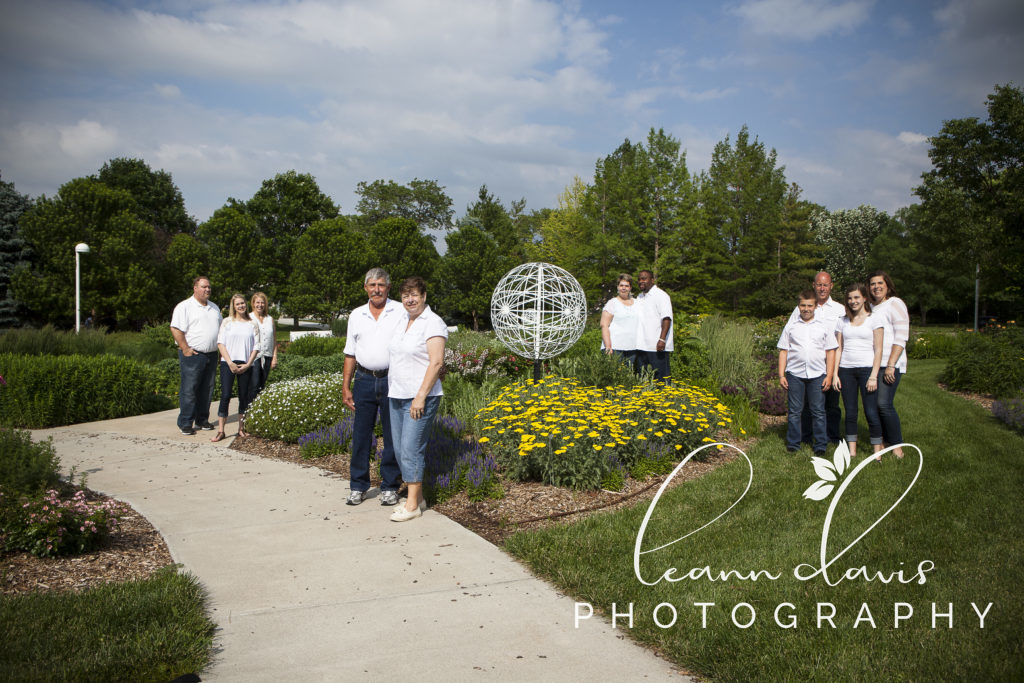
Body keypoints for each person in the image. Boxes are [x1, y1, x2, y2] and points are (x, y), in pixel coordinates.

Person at [387, 276, 448, 522]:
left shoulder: (433, 323)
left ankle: (412, 506)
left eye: (414, 295)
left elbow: (436, 362)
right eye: (405, 296)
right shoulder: (403, 320)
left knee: (412, 449)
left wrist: (420, 397)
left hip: (420, 396)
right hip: (398, 393)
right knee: (402, 450)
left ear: (424, 296)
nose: (410, 300)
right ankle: (418, 497)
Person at [342, 268, 404, 506]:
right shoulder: (356, 315)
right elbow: (350, 353)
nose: (376, 289)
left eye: (381, 285)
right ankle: (358, 485)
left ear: (388, 287)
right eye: (372, 285)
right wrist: (346, 387)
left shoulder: (399, 310)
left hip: (392, 380)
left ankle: (389, 486)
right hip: (364, 380)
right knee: (360, 435)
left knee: (392, 435)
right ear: (365, 288)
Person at [787, 271, 845, 444]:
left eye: (825, 285)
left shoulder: (839, 309)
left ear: (831, 286)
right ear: (814, 285)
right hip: (807, 365)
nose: (822, 288)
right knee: (807, 405)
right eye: (819, 284)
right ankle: (806, 436)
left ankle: (832, 436)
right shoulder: (802, 308)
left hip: (832, 361)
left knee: (832, 404)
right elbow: (790, 332)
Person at [778, 290, 838, 456]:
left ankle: (820, 445)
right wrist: (781, 374)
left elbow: (831, 351)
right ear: (798, 306)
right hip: (795, 374)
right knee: (795, 411)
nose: (806, 309)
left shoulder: (823, 326)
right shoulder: (791, 326)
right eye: (803, 305)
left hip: (818, 374)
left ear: (815, 306)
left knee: (818, 411)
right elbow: (784, 350)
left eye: (809, 305)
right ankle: (793, 443)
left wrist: (829, 375)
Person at [830, 283, 885, 459]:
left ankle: (877, 452)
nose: (853, 301)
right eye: (850, 298)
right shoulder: (842, 320)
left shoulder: (874, 319)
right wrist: (835, 374)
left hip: (867, 370)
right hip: (846, 370)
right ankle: (852, 451)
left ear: (864, 298)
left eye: (856, 297)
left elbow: (878, 349)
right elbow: (838, 348)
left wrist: (874, 376)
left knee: (870, 411)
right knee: (851, 412)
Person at [170, 277, 221, 436]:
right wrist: (185, 349)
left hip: (211, 355)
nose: (207, 290)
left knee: (207, 389)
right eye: (204, 287)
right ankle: (185, 422)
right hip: (193, 355)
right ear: (195, 288)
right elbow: (176, 329)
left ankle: (202, 419)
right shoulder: (185, 306)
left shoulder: (214, 308)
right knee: (190, 389)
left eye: (209, 287)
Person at [868, 270, 910, 459]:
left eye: (880, 283)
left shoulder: (895, 303)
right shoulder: (870, 307)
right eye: (872, 284)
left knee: (884, 404)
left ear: (887, 285)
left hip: (890, 363)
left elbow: (901, 336)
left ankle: (897, 445)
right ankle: (882, 441)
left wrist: (891, 364)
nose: (876, 287)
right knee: (875, 406)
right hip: (874, 364)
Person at [211, 293, 260, 442]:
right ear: (233, 306)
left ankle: (241, 429)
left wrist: (248, 364)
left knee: (243, 395)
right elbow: (220, 343)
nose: (241, 306)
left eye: (242, 303)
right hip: (228, 363)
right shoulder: (227, 322)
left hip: (245, 364)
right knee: (225, 395)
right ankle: (221, 430)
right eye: (237, 304)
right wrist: (229, 362)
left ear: (246, 304)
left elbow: (256, 347)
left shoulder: (252, 323)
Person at [634, 270, 673, 382]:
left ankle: (665, 398)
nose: (641, 281)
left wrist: (662, 339)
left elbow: (666, 318)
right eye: (639, 279)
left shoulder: (661, 295)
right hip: (641, 346)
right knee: (643, 379)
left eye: (644, 278)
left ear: (652, 280)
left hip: (657, 346)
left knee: (661, 378)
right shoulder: (639, 297)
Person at [600, 273, 638, 366]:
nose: (623, 288)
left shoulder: (637, 303)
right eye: (621, 285)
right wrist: (608, 347)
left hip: (633, 348)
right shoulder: (612, 303)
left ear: (630, 288)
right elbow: (604, 325)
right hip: (615, 348)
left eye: (626, 286)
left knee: (628, 377)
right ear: (617, 287)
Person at [250, 291, 278, 400]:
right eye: (257, 302)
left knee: (262, 385)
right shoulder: (249, 318)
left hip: (267, 355)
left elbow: (274, 339)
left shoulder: (269, 319)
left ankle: (258, 409)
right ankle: (249, 410)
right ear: (253, 303)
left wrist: (274, 357)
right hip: (254, 357)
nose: (260, 305)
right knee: (254, 385)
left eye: (262, 303)